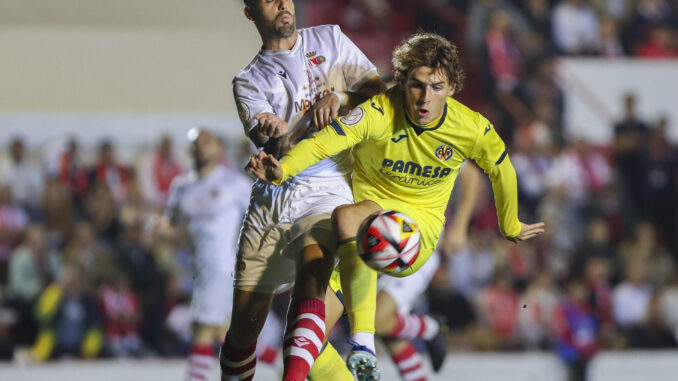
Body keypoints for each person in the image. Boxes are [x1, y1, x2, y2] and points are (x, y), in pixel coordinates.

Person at [247, 32, 546, 377]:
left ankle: (363, 343)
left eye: (436, 87)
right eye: (417, 85)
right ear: (401, 82)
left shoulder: (470, 128)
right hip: (356, 241)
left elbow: (501, 169)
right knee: (303, 346)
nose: (424, 98)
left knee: (348, 217)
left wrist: (509, 224)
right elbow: (323, 144)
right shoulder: (379, 111)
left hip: (412, 235)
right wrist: (283, 169)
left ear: (452, 88)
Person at [221, 1, 386, 381]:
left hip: (327, 190)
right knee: (243, 333)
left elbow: (380, 96)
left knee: (313, 274)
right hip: (272, 202)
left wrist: (341, 98)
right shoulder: (248, 82)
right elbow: (274, 151)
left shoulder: (330, 38)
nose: (282, 4)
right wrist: (279, 134)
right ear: (250, 13)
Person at [156, 129, 252, 381]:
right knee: (226, 332)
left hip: (222, 266)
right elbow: (170, 225)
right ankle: (277, 364)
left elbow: (259, 216)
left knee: (202, 329)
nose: (201, 147)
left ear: (218, 148)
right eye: (196, 144)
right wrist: (153, 226)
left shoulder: (233, 183)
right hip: (197, 269)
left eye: (207, 142)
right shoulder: (182, 186)